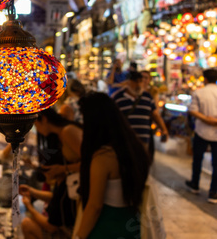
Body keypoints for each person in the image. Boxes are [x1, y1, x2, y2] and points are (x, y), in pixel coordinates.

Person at [74, 92, 150, 239]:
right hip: (130, 225)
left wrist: (78, 237)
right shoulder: (134, 148)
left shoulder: (102, 158)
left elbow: (95, 207)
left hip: (106, 227)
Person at [20, 109, 82, 239]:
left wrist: (63, 169)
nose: (36, 129)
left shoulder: (67, 131)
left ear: (44, 119)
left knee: (27, 224)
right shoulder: (61, 135)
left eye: (36, 124)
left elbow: (90, 162)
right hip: (72, 187)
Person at [112, 71, 169, 157]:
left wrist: (164, 130)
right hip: (124, 141)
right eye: (135, 82)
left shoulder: (147, 97)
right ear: (128, 82)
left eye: (140, 81)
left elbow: (155, 115)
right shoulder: (118, 98)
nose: (138, 84)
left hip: (143, 141)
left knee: (142, 166)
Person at [186, 69, 217, 204]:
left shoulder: (198, 92)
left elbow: (192, 111)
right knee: (216, 164)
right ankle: (214, 192)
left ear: (204, 79)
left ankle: (195, 184)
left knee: (197, 159)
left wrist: (206, 119)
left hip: (201, 130)